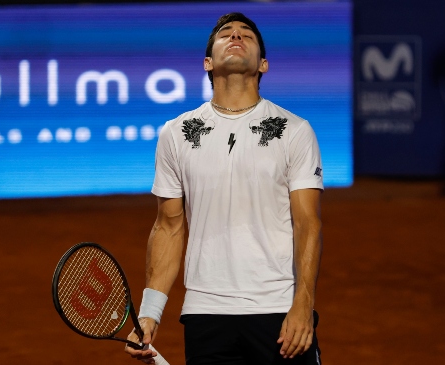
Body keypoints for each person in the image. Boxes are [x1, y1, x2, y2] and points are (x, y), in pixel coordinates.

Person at [124, 12, 324, 364]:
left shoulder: (295, 130)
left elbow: (307, 223)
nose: (235, 35)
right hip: (206, 313)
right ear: (207, 62)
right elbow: (169, 227)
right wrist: (149, 314)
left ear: (263, 64)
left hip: (278, 311)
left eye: (246, 34)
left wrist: (303, 304)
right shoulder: (176, 133)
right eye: (225, 34)